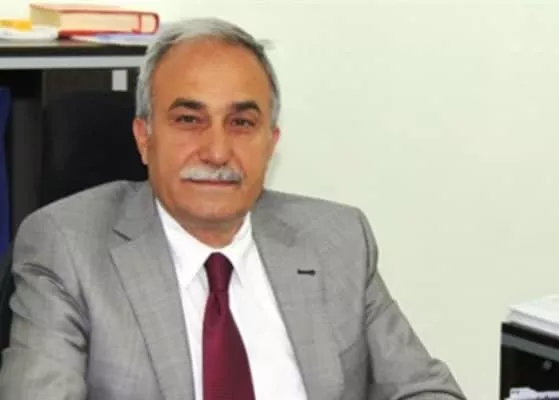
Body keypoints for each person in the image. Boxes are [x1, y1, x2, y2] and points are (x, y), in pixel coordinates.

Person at [0, 17, 465, 400]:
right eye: (189, 120)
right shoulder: (69, 249)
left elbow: (425, 389)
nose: (218, 152)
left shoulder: (338, 240)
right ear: (144, 138)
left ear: (271, 143)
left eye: (241, 123)